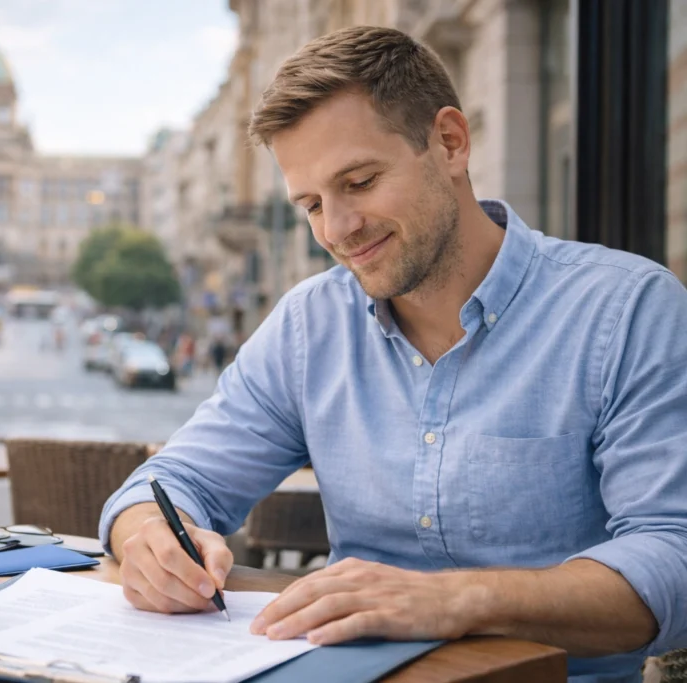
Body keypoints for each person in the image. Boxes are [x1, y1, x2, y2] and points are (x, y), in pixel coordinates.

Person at [100, 26, 687, 683]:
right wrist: (148, 535)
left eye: (360, 181)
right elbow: (166, 486)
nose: (337, 229)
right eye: (313, 204)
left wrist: (455, 600)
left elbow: (674, 559)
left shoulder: (626, 309)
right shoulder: (308, 325)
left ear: (450, 143)